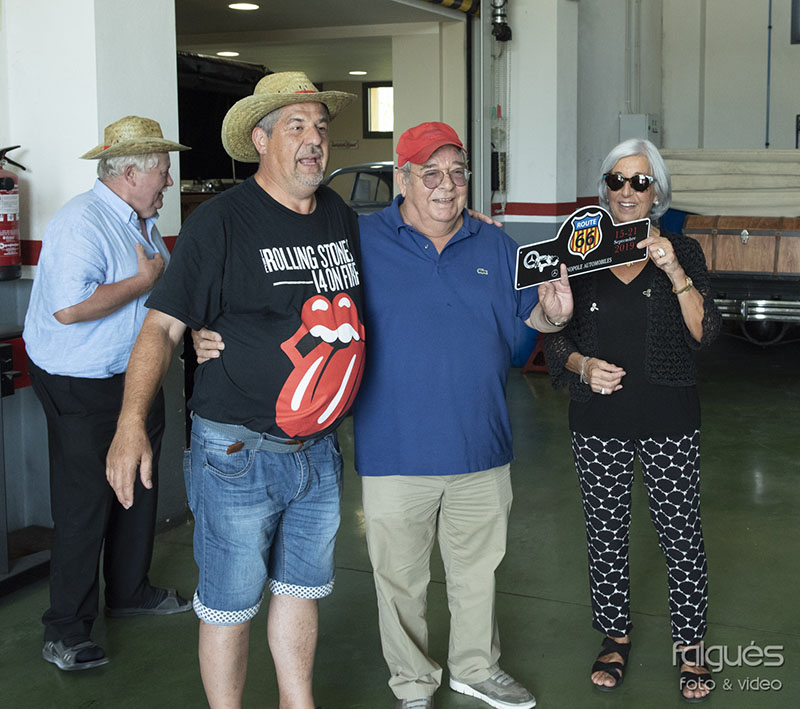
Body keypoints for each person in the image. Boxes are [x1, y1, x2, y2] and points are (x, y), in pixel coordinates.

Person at [196, 121, 574, 709]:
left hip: (482, 444)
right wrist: (209, 329)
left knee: (478, 572)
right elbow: (286, 294)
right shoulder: (358, 240)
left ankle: (476, 668)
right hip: (395, 447)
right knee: (400, 581)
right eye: (431, 173)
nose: (445, 185)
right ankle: (414, 683)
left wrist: (555, 315)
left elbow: (534, 316)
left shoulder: (496, 245)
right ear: (403, 178)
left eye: (456, 172)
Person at [105, 72, 362, 709]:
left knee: (301, 591)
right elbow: (162, 326)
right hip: (237, 456)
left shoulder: (338, 214)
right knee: (229, 604)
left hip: (318, 451)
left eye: (320, 127)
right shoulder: (220, 222)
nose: (314, 140)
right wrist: (131, 423)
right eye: (296, 126)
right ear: (261, 140)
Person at [543, 138, 721, 702]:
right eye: (616, 180)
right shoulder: (581, 254)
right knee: (605, 532)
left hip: (669, 416)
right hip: (599, 418)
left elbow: (705, 333)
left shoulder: (684, 250)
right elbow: (554, 340)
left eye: (640, 181)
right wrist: (582, 365)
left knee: (681, 533)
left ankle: (690, 645)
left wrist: (674, 271)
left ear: (656, 192)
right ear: (605, 189)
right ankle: (615, 636)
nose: (627, 191)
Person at [23, 115, 192, 672]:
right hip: (80, 381)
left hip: (133, 377)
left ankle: (129, 591)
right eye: (162, 170)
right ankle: (66, 630)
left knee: (139, 482)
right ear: (129, 173)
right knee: (86, 501)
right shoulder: (81, 221)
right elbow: (68, 309)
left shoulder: (140, 220)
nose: (169, 181)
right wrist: (143, 282)